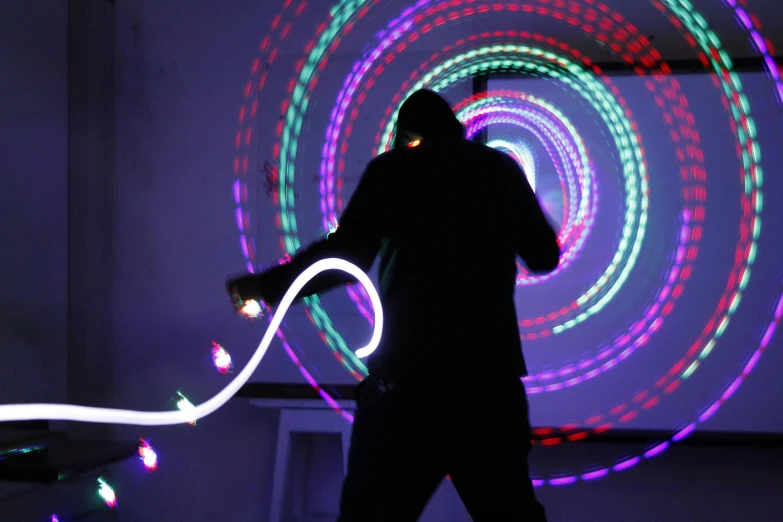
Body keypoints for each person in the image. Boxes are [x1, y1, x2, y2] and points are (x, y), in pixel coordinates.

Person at [227, 89, 559, 521]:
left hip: (406, 387)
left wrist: (262, 287)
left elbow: (342, 258)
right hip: (487, 388)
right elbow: (544, 256)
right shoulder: (500, 170)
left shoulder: (392, 172)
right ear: (455, 128)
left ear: (408, 135)